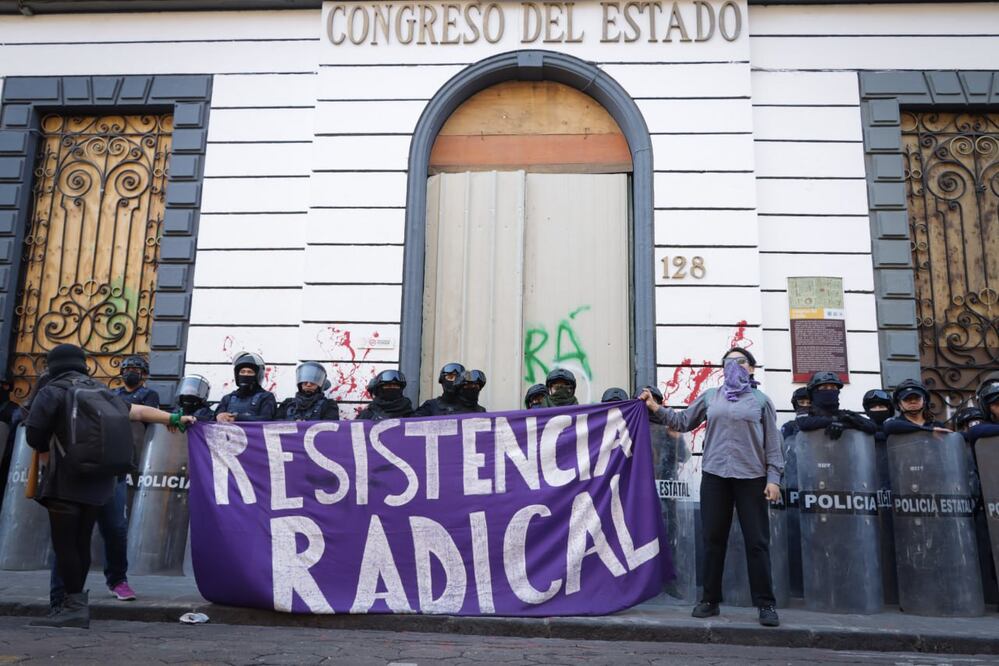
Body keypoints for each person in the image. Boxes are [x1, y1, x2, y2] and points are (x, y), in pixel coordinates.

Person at [25, 344, 194, 629]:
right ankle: (76, 608)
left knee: (65, 546)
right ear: (82, 364)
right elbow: (137, 411)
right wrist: (173, 418)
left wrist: (44, 452)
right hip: (99, 481)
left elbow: (34, 434)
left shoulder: (52, 391)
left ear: (53, 365)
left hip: (65, 478)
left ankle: (67, 607)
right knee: (80, 543)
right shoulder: (100, 390)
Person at [640, 346, 783, 627]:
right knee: (713, 540)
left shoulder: (761, 401)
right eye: (728, 362)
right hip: (715, 476)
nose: (735, 366)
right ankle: (709, 600)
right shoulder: (710, 397)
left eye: (741, 362)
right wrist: (655, 407)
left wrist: (774, 479)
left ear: (751, 368)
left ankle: (766, 604)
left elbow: (773, 445)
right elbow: (682, 422)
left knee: (757, 542)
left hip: (751, 478)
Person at [796, 371, 877, 439]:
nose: (829, 391)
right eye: (824, 388)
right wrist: (835, 420)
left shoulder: (845, 414)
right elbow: (804, 423)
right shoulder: (807, 412)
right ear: (813, 393)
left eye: (833, 388)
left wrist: (845, 424)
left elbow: (872, 426)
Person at [214, 352, 276, 423]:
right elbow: (212, 418)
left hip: (254, 434)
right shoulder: (228, 398)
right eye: (242, 372)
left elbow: (267, 419)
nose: (245, 374)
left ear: (257, 375)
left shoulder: (266, 397)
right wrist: (218, 416)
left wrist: (237, 418)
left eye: (250, 372)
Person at [883, 379, 950, 435]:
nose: (913, 402)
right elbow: (889, 426)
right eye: (907, 399)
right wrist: (929, 430)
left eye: (917, 398)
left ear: (924, 401)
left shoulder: (936, 425)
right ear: (899, 404)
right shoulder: (894, 423)